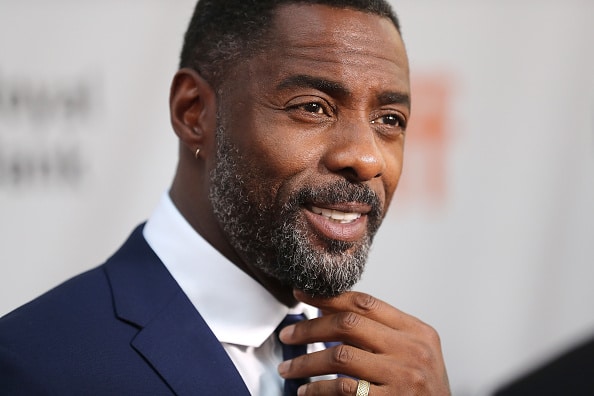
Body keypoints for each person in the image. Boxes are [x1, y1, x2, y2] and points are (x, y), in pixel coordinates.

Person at [0, 1, 450, 395]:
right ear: (192, 111)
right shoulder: (34, 365)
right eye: (312, 107)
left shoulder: (387, 377)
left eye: (389, 119)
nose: (367, 158)